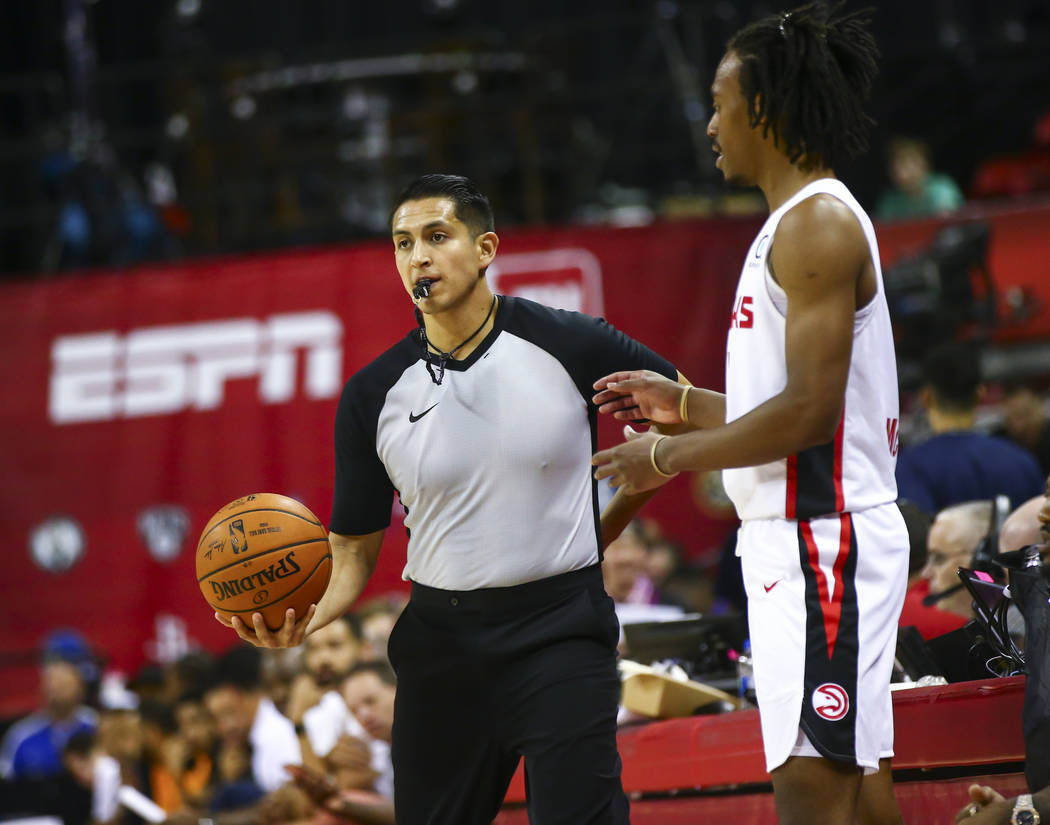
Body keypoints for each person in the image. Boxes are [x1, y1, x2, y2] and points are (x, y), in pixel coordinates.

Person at [218, 172, 686, 825]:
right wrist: (304, 618)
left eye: (437, 237)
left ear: (486, 247)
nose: (419, 257)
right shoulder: (372, 393)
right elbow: (350, 551)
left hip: (560, 628)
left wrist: (638, 486)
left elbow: (682, 407)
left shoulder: (570, 341)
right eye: (403, 243)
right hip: (442, 641)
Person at [591, 4, 908, 824]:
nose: (709, 125)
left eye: (719, 103)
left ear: (762, 108)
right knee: (857, 790)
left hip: (820, 540)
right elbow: (807, 413)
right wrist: (686, 405)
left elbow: (807, 416)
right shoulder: (789, 227)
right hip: (803, 537)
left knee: (814, 795)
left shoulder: (818, 227)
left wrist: (661, 459)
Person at [895, 342, 1044, 515]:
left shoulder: (910, 468)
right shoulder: (1023, 463)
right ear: (980, 394)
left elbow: (914, 536)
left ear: (926, 397)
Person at [1, 630, 99, 781]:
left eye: (65, 682)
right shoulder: (21, 735)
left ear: (81, 686)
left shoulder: (97, 728)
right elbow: (6, 787)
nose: (57, 689)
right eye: (52, 681)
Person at [874, 136, 964, 221]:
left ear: (923, 164)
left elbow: (948, 225)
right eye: (894, 164)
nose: (899, 170)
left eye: (906, 162)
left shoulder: (942, 189)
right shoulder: (890, 200)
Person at [994, 381, 1050, 476]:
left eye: (1025, 413)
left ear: (1039, 411)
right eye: (1012, 417)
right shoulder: (998, 440)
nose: (1019, 425)